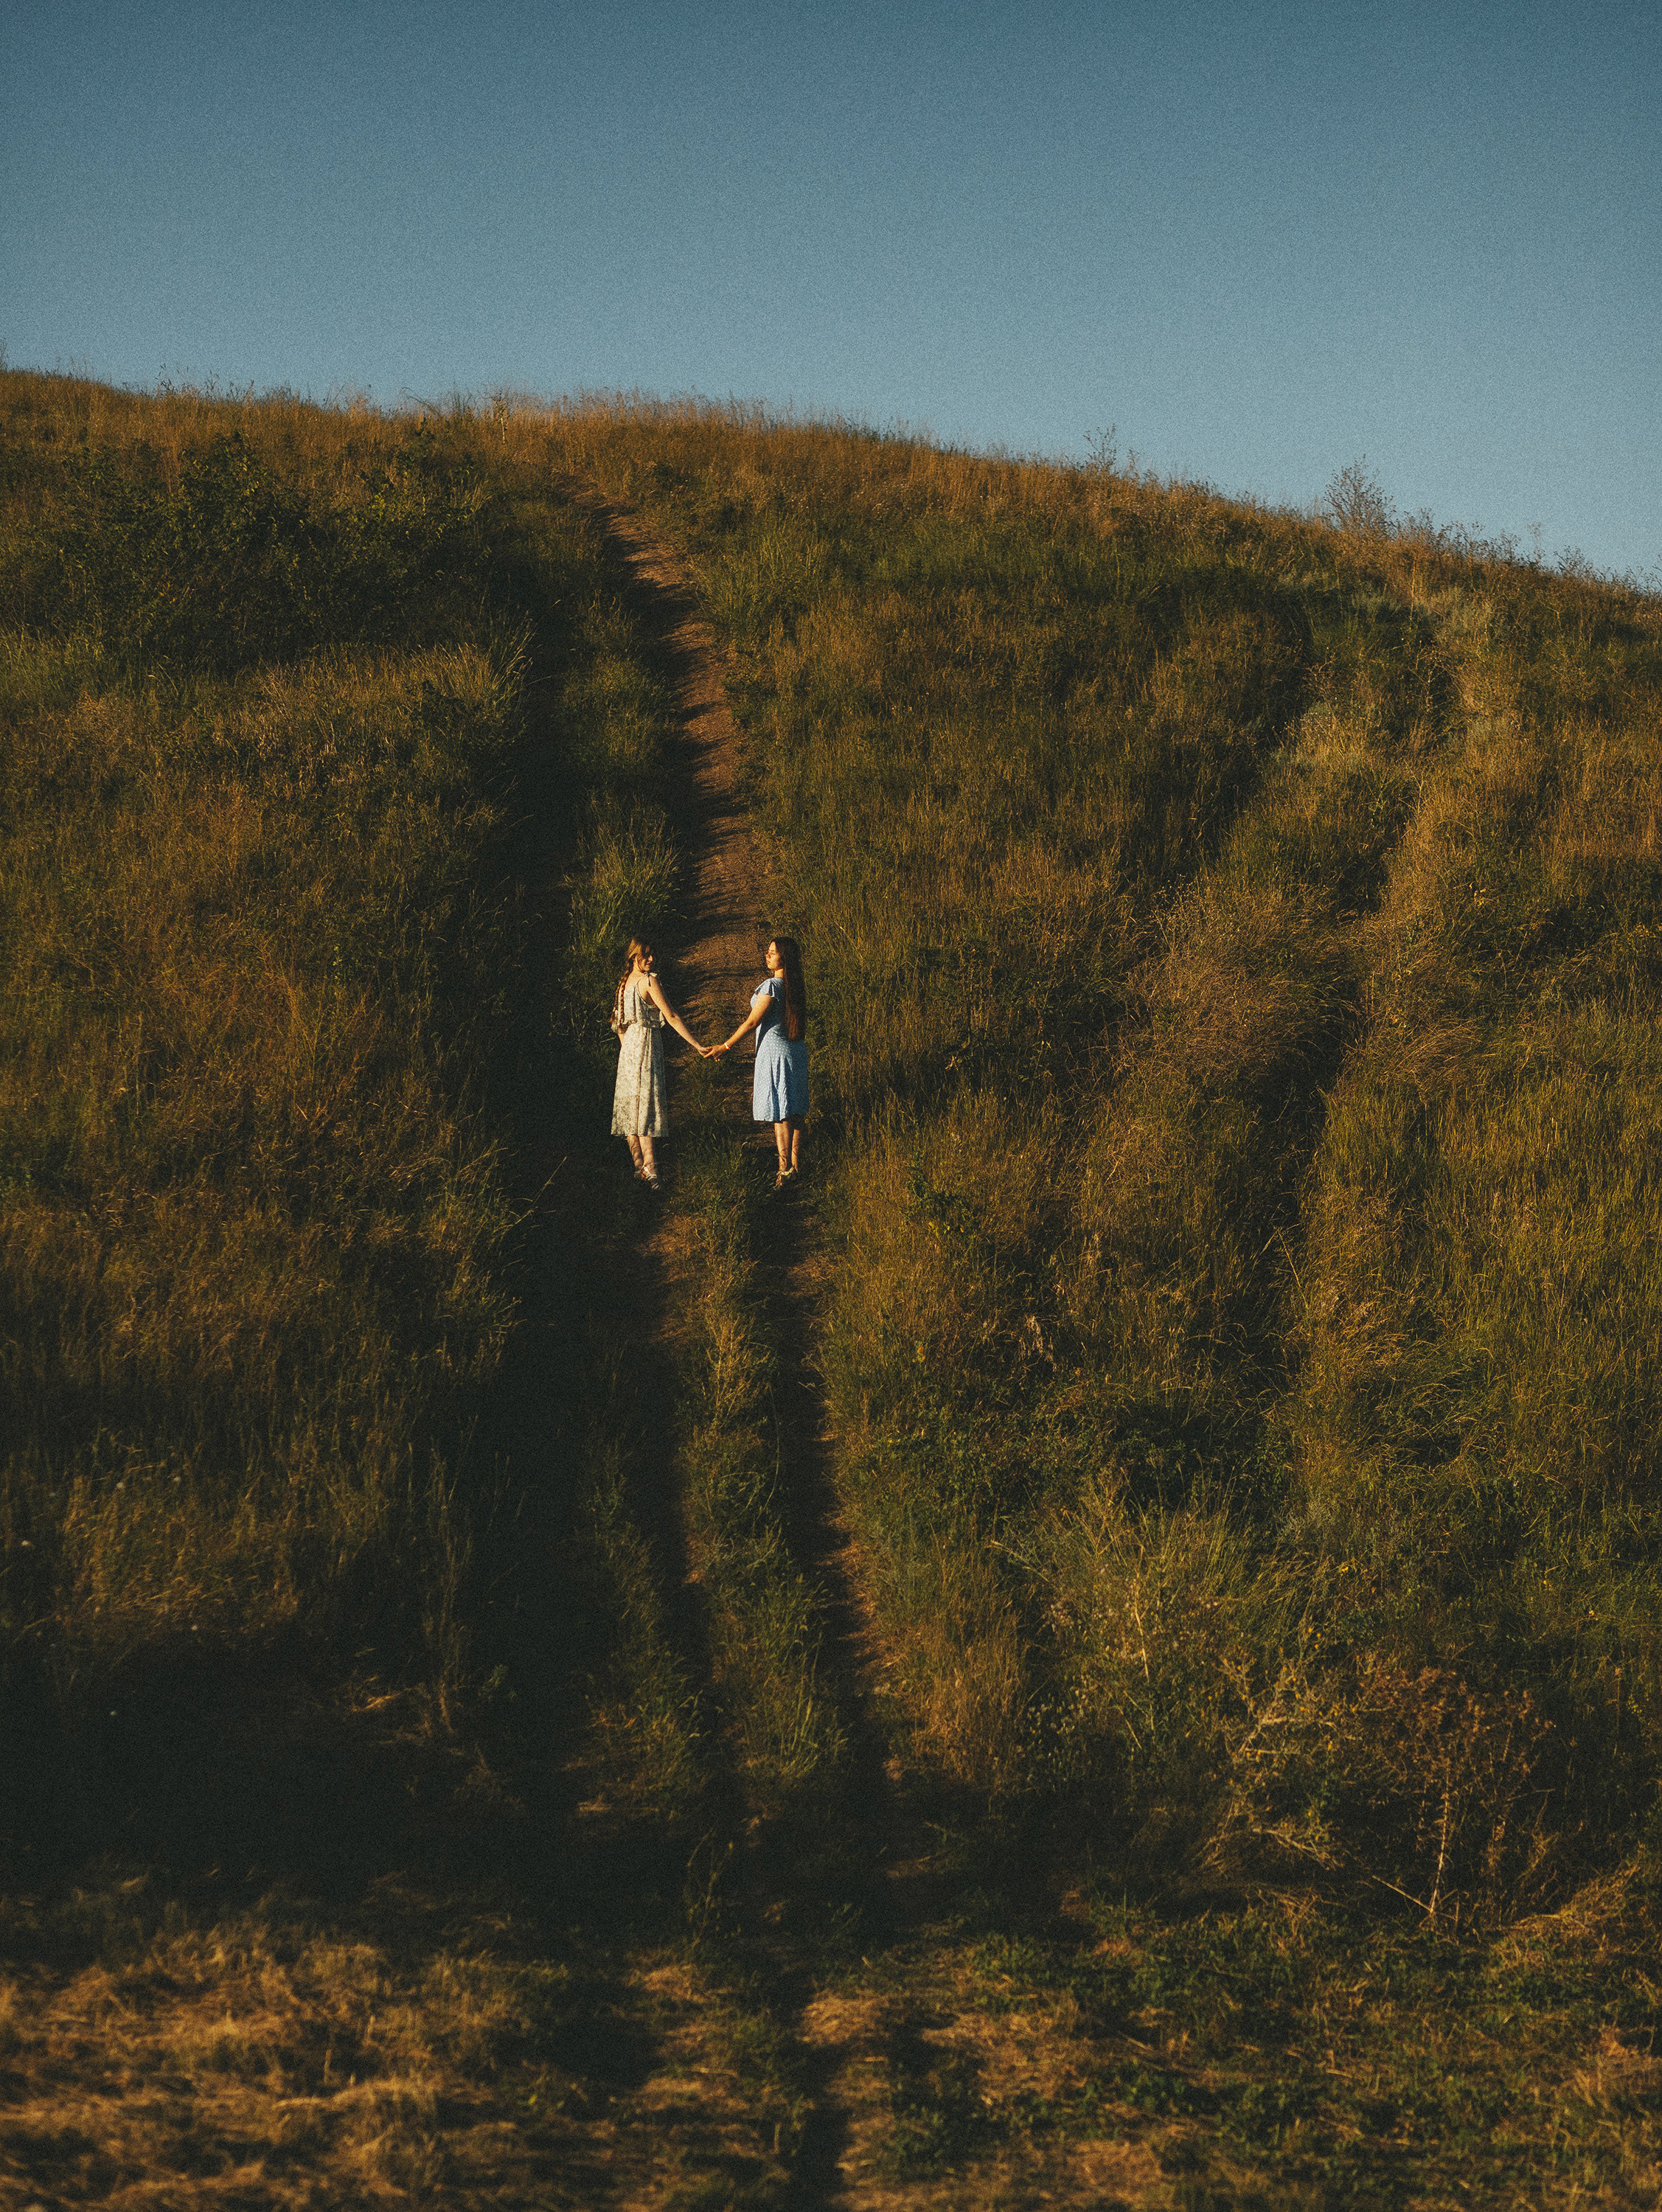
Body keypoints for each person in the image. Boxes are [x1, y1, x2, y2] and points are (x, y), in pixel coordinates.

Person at [713, 936, 808, 1187]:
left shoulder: (772, 986)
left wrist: (726, 1045)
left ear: (783, 958)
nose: (767, 956)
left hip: (775, 1053)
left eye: (772, 952)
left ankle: (783, 1170)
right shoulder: (795, 986)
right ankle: (796, 1167)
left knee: (781, 1112)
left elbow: (752, 1021)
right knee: (795, 1111)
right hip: (796, 1050)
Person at [611, 937, 706, 1188]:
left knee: (630, 1108)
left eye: (653, 954)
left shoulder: (624, 985)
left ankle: (639, 1166)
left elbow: (618, 1026)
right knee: (646, 1105)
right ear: (634, 957)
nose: (651, 959)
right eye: (646, 955)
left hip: (628, 1049)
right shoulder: (648, 981)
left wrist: (627, 1052)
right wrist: (696, 1044)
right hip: (645, 1044)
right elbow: (672, 1016)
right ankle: (651, 1169)